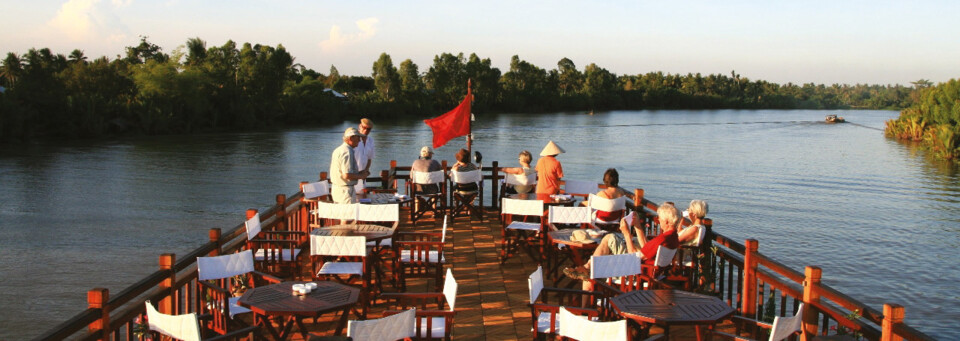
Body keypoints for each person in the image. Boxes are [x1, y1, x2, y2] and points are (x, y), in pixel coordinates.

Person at [563, 202, 681, 282]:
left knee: (610, 238)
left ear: (666, 221)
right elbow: (646, 248)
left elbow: (632, 256)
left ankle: (588, 268)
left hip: (636, 272)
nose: (658, 220)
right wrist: (638, 226)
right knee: (610, 240)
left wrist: (626, 233)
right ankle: (588, 268)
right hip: (651, 272)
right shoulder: (672, 237)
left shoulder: (663, 238)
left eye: (659, 218)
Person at [329, 127, 369, 204]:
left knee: (341, 214)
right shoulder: (347, 152)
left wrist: (360, 173)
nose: (360, 140)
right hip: (345, 191)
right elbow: (346, 175)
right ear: (351, 138)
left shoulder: (338, 150)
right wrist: (362, 176)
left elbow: (342, 172)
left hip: (338, 189)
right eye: (358, 137)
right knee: (348, 214)